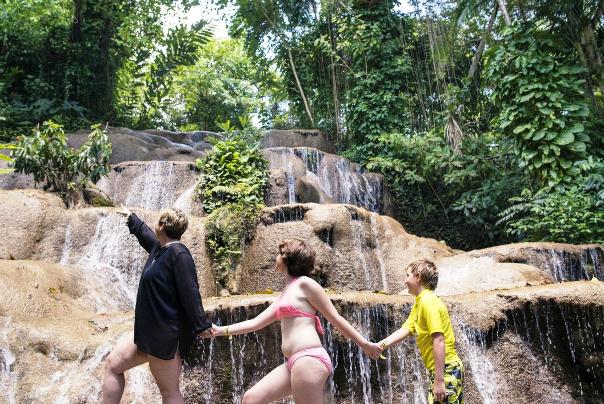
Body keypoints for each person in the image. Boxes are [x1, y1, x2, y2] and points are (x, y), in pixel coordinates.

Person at [207, 238, 383, 404]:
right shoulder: (286, 293)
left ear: (287, 259)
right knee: (251, 399)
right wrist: (221, 330)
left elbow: (335, 318)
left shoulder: (306, 284)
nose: (275, 257)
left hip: (309, 358)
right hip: (294, 362)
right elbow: (256, 322)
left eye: (279, 253)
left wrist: (365, 344)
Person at [102, 206, 212, 404]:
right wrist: (132, 220)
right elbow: (146, 236)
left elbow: (191, 292)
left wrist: (201, 325)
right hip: (147, 333)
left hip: (165, 337)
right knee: (113, 364)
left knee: (169, 392)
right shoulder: (160, 249)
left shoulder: (179, 254)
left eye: (157, 221)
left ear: (161, 225)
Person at [377, 259, 464, 403]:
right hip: (443, 370)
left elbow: (439, 340)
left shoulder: (428, 301)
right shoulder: (420, 301)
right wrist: (381, 345)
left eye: (407, 275)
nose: (405, 281)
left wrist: (439, 380)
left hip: (447, 370)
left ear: (417, 277)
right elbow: (407, 328)